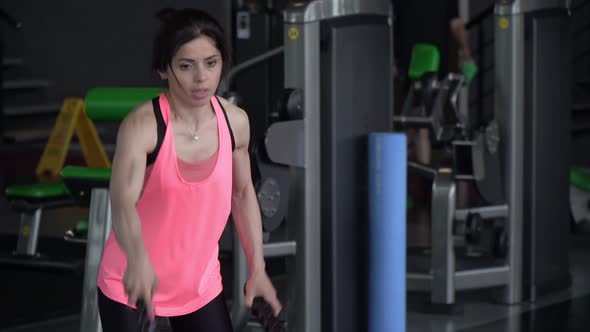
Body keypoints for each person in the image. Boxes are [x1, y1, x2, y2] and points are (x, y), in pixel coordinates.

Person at [96, 8, 282, 331]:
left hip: (200, 287)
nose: (201, 78)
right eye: (186, 65)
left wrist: (258, 269)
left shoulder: (235, 122)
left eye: (211, 63)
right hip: (133, 282)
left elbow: (241, 193)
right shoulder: (143, 127)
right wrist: (138, 260)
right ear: (163, 69)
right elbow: (122, 202)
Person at [392, 0, 473, 165]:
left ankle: (419, 175)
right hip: (408, 61)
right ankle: (411, 173)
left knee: (421, 122)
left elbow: (455, 23)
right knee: (412, 121)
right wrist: (391, 60)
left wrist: (466, 52)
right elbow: (392, 22)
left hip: (433, 61)